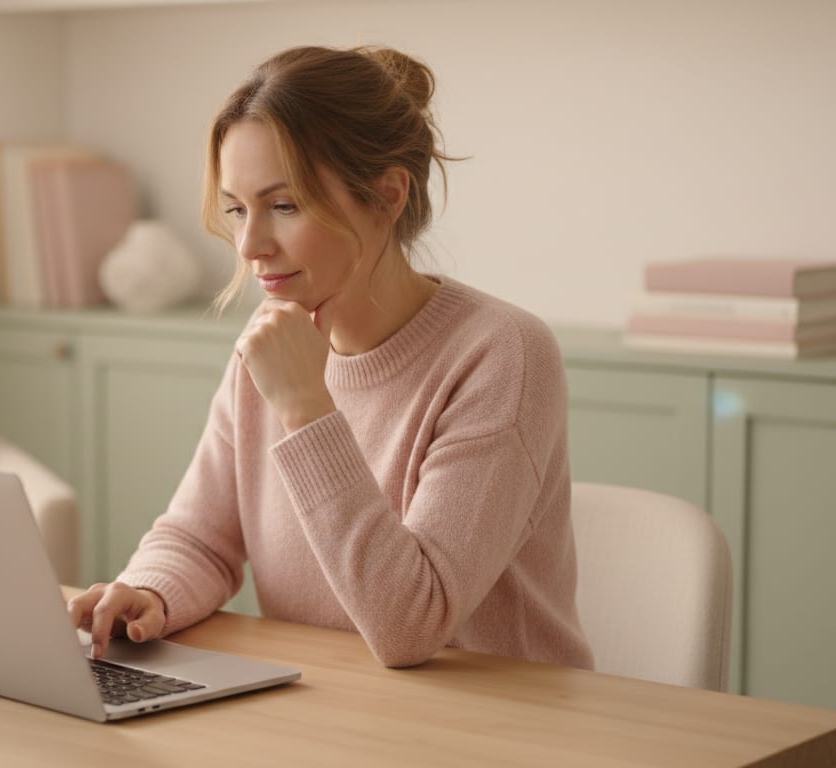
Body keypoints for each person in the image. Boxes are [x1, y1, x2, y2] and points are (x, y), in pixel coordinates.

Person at [67, 44, 594, 670]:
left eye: (284, 206)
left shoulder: (502, 354)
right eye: (237, 210)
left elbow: (411, 625)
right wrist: (148, 590)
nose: (250, 245)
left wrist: (305, 407)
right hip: (335, 713)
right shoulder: (269, 350)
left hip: (507, 731)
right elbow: (200, 537)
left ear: (387, 195)